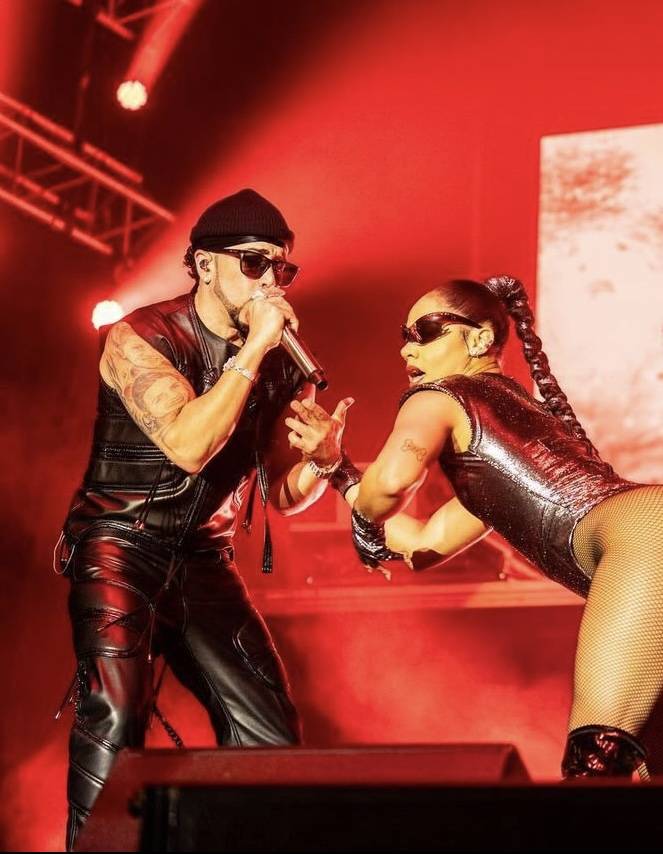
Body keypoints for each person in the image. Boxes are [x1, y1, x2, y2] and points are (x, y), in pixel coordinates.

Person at [54, 188, 352, 849]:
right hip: (120, 543)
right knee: (115, 719)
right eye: (255, 262)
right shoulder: (141, 336)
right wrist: (255, 351)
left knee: (270, 731)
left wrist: (324, 463)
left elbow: (282, 494)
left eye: (281, 268)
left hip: (202, 557)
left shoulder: (278, 364)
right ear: (206, 264)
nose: (271, 281)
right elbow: (188, 445)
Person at [300, 274, 662, 778]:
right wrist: (339, 472)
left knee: (597, 767)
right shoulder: (508, 444)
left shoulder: (440, 396)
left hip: (648, 536)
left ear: (479, 339)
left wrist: (362, 508)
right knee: (644, 777)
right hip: (648, 535)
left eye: (426, 331)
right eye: (404, 336)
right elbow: (424, 543)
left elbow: (391, 485)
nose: (408, 349)